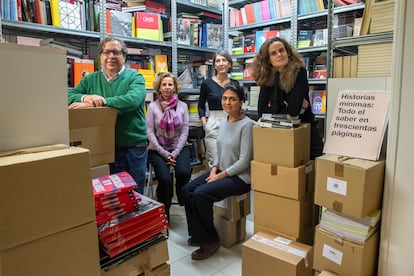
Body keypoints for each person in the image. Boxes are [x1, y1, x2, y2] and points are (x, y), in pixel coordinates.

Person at [181, 83, 253, 260]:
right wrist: (213, 171)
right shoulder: (224, 121)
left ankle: (211, 240)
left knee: (200, 194)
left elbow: (244, 162)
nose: (227, 102)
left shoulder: (248, 125)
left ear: (241, 102)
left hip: (240, 178)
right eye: (225, 98)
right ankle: (198, 235)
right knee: (186, 191)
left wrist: (218, 176)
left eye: (233, 99)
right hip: (221, 170)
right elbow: (220, 154)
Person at [68, 37, 148, 193]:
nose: (111, 56)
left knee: (135, 195)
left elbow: (132, 100)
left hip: (132, 148)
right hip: (103, 149)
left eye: (116, 52)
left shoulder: (135, 77)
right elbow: (69, 95)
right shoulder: (90, 79)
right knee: (109, 196)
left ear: (124, 56)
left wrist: (99, 102)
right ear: (101, 56)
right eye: (107, 52)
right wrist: (85, 98)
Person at [252, 36, 323, 159]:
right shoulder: (267, 76)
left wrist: (276, 108)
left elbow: (294, 110)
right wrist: (285, 106)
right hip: (281, 133)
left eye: (281, 50)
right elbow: (261, 111)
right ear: (268, 60)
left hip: (304, 131)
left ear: (287, 52)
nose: (279, 54)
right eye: (274, 53)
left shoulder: (299, 71)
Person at [146, 72, 192, 220]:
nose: (167, 87)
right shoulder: (152, 107)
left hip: (179, 147)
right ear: (159, 88)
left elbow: (185, 130)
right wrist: (165, 153)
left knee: (184, 173)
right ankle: (164, 213)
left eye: (170, 84)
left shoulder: (183, 106)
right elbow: (150, 132)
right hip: (158, 149)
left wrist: (176, 152)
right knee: (165, 179)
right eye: (164, 84)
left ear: (175, 87)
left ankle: (182, 199)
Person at [198, 50, 240, 169]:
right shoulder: (207, 83)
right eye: (218, 61)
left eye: (224, 60)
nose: (221, 63)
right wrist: (205, 123)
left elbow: (238, 105)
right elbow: (201, 105)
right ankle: (212, 185)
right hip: (213, 121)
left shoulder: (235, 84)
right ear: (214, 65)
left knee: (231, 159)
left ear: (229, 64)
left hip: (232, 121)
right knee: (214, 159)